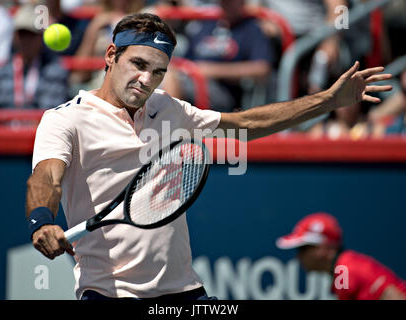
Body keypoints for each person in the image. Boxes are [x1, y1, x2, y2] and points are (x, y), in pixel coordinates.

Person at [25, 12, 392, 300]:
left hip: (185, 292)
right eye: (138, 64)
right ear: (110, 56)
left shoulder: (169, 109)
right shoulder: (65, 120)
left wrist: (327, 101)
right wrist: (42, 219)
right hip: (109, 293)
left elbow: (246, 124)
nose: (146, 80)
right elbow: (46, 177)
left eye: (158, 72)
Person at [162, 0, 274, 112]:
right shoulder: (206, 25)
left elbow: (262, 69)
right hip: (192, 80)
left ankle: (167, 127)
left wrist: (213, 70)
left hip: (224, 92)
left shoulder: (251, 28)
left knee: (170, 78)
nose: (226, 4)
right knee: (163, 75)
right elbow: (186, 61)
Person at [276, 212, 406, 300]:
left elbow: (394, 295)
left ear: (325, 247)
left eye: (303, 248)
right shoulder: (342, 270)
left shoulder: (346, 269)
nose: (299, 257)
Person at [0, 4, 69, 109]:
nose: (26, 41)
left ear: (40, 37)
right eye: (22, 34)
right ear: (15, 37)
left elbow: (53, 111)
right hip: (9, 124)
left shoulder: (55, 73)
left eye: (32, 35)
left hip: (39, 125)